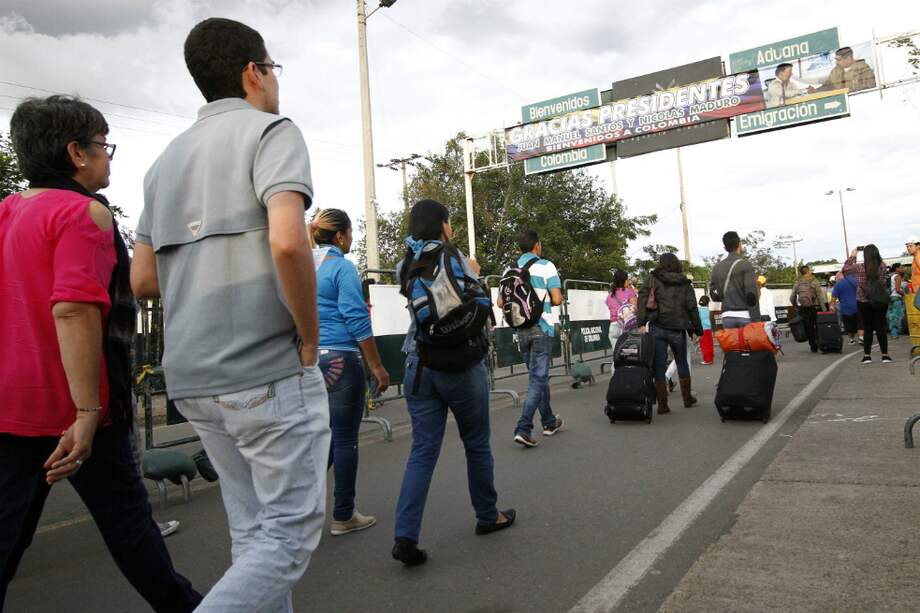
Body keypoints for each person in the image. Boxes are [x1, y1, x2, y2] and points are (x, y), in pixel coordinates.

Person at [130, 18, 330, 612]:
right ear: (253, 72)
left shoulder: (162, 164)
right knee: (289, 537)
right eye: (272, 69)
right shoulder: (272, 133)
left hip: (192, 378)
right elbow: (290, 243)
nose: (274, 82)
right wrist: (309, 338)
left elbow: (142, 279)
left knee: (254, 535)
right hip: (263, 370)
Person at [0, 96, 201, 611]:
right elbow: (73, 311)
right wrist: (88, 412)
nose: (108, 157)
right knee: (131, 530)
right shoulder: (83, 212)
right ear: (76, 154)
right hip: (80, 411)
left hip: (12, 407)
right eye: (103, 146)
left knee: (7, 536)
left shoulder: (8, 211)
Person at [393, 199, 514, 567]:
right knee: (476, 443)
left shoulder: (405, 263)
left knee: (422, 450)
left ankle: (405, 535)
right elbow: (476, 305)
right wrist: (474, 273)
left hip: (418, 363)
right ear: (442, 225)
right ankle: (487, 515)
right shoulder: (455, 256)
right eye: (449, 222)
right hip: (459, 364)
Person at [310, 209, 390, 536]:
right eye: (351, 233)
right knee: (344, 439)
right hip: (342, 359)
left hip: (310, 360)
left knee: (320, 440)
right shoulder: (342, 267)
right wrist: (376, 365)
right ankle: (344, 514)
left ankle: (294, 512)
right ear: (340, 236)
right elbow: (357, 319)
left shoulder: (301, 266)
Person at [510, 230, 565, 448]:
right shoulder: (546, 266)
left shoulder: (510, 269)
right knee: (537, 380)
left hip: (521, 330)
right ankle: (523, 427)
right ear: (537, 246)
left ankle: (549, 422)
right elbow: (557, 298)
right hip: (541, 328)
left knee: (538, 378)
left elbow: (499, 302)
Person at [637, 253, 703, 414]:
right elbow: (692, 307)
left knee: (659, 365)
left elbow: (642, 300)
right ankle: (687, 399)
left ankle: (662, 405)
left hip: (657, 326)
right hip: (678, 329)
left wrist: (641, 322)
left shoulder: (652, 279)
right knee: (682, 362)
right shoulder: (684, 283)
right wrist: (696, 330)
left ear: (661, 264)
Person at [842, 245, 892, 363]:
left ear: (864, 255)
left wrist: (853, 256)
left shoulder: (858, 267)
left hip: (863, 301)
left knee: (867, 328)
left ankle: (867, 356)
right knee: (880, 327)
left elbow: (845, 269)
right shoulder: (882, 266)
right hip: (880, 300)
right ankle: (885, 355)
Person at [710, 231, 760, 328]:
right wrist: (756, 319)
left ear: (725, 247)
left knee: (732, 343)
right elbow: (751, 295)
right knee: (746, 343)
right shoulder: (745, 265)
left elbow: (714, 294)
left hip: (727, 317)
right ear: (740, 244)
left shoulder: (717, 267)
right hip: (745, 316)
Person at [605, 269, 637, 372]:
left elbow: (610, 308)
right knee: (630, 357)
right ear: (624, 281)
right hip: (627, 328)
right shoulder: (629, 292)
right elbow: (635, 309)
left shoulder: (610, 295)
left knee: (616, 358)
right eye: (627, 279)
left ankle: (615, 382)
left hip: (613, 327)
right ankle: (629, 382)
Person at [791, 265, 828, 353]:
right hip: (815, 308)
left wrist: (796, 306)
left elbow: (792, 297)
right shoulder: (814, 281)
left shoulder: (797, 283)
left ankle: (813, 347)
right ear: (808, 272)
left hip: (804, 308)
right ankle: (820, 344)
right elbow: (820, 297)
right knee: (818, 326)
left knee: (808, 328)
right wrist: (824, 310)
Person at [831, 272, 863, 345]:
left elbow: (833, 298)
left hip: (845, 308)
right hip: (857, 306)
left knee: (848, 325)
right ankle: (861, 338)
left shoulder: (838, 285)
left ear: (838, 277)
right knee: (860, 323)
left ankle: (852, 340)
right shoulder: (855, 280)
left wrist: (832, 306)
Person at [888, 263, 905, 339]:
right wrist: (904, 294)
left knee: (891, 315)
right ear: (897, 269)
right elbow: (898, 290)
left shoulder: (891, 276)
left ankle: (893, 332)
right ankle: (894, 334)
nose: (902, 269)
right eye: (901, 268)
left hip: (891, 297)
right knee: (896, 316)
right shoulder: (898, 277)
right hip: (897, 298)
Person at [698, 296, 714, 365]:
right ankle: (711, 358)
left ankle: (707, 360)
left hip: (702, 329)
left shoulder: (698, 310)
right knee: (710, 344)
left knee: (704, 345)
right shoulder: (709, 310)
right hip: (709, 329)